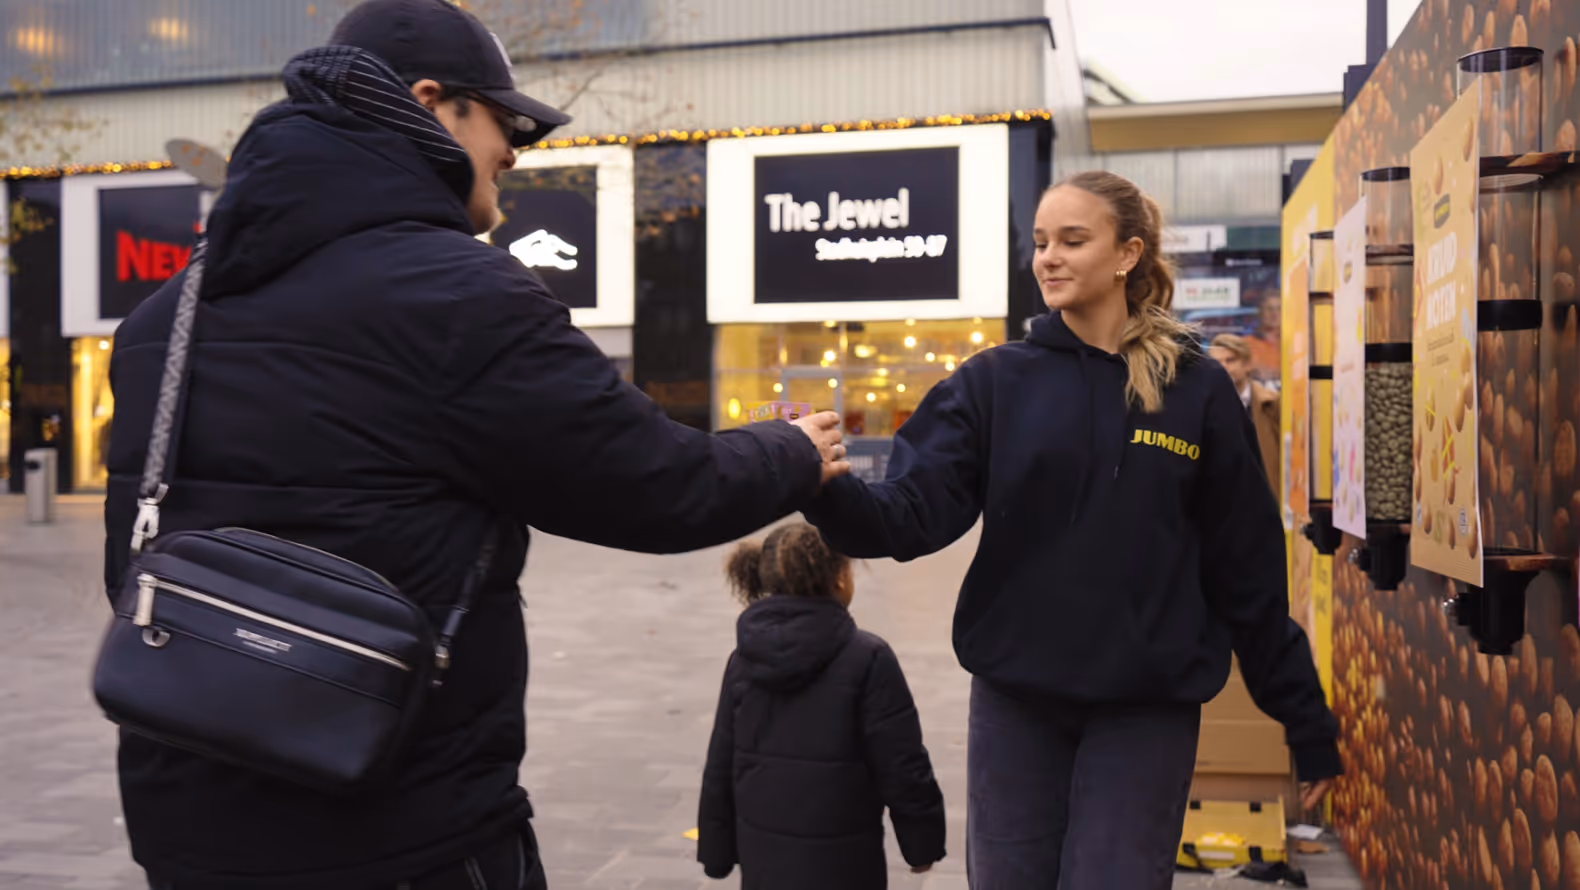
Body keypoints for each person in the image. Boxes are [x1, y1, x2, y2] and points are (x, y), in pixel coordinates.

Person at [101, 1, 848, 888]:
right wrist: (789, 449)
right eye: (507, 121)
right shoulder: (460, 293)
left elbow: (134, 557)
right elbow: (658, 485)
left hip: (187, 818)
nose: (516, 152)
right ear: (431, 103)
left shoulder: (165, 316)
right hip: (398, 822)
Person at [803, 170, 1341, 890]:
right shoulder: (993, 383)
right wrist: (826, 488)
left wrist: (1303, 719)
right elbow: (907, 517)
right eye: (1041, 242)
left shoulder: (1196, 389)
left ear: (1127, 254)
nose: (1048, 258)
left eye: (1072, 240)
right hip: (1017, 704)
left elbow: (1246, 568)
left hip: (1146, 710)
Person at [697, 523, 946, 889]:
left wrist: (716, 852)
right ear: (840, 579)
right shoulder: (869, 658)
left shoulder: (743, 660)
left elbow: (721, 763)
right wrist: (922, 845)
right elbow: (902, 764)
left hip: (765, 864)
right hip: (846, 867)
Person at [1208, 332, 1281, 501]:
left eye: (1230, 360)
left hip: (1265, 498)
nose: (1223, 368)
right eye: (1217, 363)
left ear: (1247, 364)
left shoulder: (1272, 404)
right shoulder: (1204, 408)